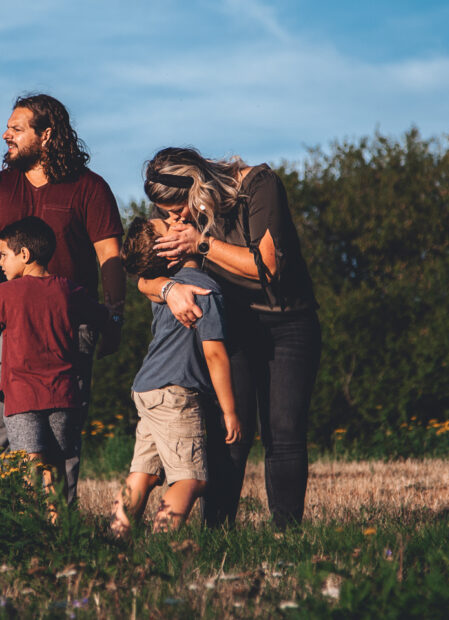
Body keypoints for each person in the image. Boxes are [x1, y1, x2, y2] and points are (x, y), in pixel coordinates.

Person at [138, 147, 321, 529]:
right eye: (166, 214)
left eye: (176, 211)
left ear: (195, 187)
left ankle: (286, 536)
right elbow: (143, 276)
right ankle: (214, 535)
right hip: (231, 327)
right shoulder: (173, 211)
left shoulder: (259, 186)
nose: (173, 221)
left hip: (287, 323)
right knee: (228, 434)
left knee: (283, 431)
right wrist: (169, 290)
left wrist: (200, 244)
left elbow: (267, 266)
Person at [0, 94, 125, 502]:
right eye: (8, 127)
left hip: (68, 329)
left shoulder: (89, 187)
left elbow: (110, 256)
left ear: (47, 134)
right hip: (7, 325)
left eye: (17, 129)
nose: (6, 135)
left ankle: (59, 534)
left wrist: (113, 316)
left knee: (62, 439)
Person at [110, 216, 241, 536]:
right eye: (168, 228)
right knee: (190, 479)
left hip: (148, 389)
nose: (178, 221)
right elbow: (214, 354)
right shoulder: (204, 288)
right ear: (171, 252)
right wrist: (229, 410)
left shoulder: (168, 290)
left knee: (144, 474)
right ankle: (162, 548)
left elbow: (146, 283)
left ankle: (115, 538)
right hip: (175, 393)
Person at [0, 217, 110, 507]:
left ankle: (34, 526)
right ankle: (59, 524)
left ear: (24, 255)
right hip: (62, 393)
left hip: (21, 394)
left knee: (31, 464)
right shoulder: (67, 289)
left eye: (3, 255)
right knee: (59, 464)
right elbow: (101, 316)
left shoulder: (4, 293)